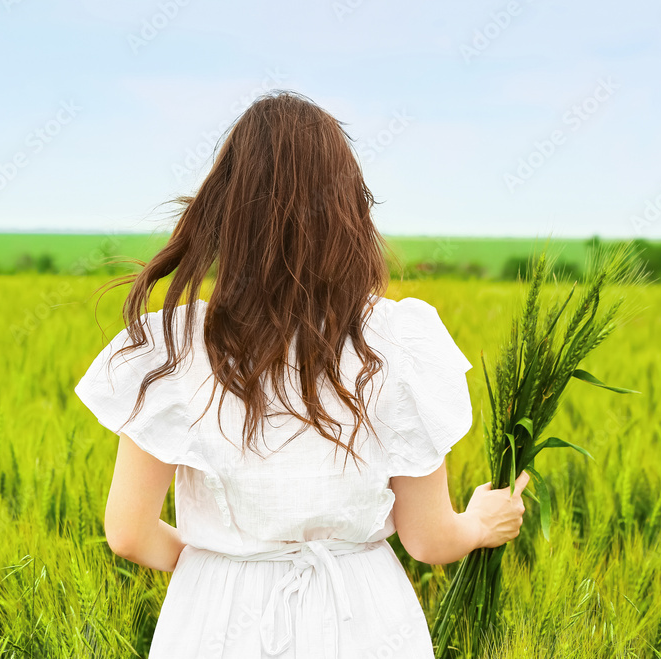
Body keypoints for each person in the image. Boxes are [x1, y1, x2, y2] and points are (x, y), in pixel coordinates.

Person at [74, 90, 528, 659]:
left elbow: (128, 533)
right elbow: (429, 538)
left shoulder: (176, 344)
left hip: (215, 621)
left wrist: (222, 568)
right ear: (347, 210)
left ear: (227, 211)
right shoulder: (395, 342)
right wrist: (483, 523)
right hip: (361, 617)